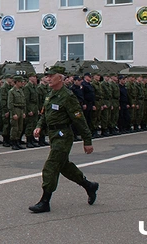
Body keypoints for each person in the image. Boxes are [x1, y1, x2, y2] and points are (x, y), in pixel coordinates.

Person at [30, 67, 98, 214]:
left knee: (51, 166)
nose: (48, 78)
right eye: (47, 76)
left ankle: (45, 201)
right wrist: (39, 126)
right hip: (53, 134)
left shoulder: (68, 96)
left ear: (60, 78)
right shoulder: (50, 95)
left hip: (63, 135)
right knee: (64, 166)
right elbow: (44, 114)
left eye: (51, 76)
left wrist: (87, 140)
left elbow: (79, 119)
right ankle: (89, 186)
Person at [7, 76, 27, 150]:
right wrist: (13, 113)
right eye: (21, 82)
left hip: (21, 110)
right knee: (15, 128)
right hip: (15, 109)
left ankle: (18, 141)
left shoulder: (21, 90)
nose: (22, 83)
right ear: (17, 82)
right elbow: (10, 103)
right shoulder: (12, 91)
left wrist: (24, 112)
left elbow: (24, 102)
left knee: (20, 128)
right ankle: (13, 143)